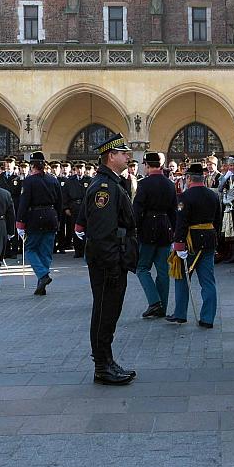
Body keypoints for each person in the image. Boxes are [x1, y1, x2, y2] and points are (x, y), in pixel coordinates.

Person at [75, 133, 138, 385]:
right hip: (107, 263)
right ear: (111, 156)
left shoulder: (111, 183)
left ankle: (107, 361)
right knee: (104, 312)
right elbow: (102, 234)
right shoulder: (105, 188)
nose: (127, 157)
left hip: (111, 260)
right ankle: (102, 365)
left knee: (109, 312)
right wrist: (113, 265)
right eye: (123, 153)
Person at [169, 162, 222, 328]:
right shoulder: (214, 195)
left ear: (189, 178)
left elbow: (181, 222)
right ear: (203, 177)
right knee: (208, 281)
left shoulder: (184, 197)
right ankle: (207, 318)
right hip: (209, 240)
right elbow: (218, 221)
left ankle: (180, 314)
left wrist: (178, 244)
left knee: (182, 277)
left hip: (190, 242)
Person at [133, 151, 177, 319]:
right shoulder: (169, 183)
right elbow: (174, 211)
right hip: (165, 227)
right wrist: (175, 231)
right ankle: (162, 306)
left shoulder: (144, 184)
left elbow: (138, 208)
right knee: (163, 270)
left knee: (142, 267)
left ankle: (154, 302)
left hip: (148, 227)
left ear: (147, 165)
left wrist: (134, 227)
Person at [16, 151, 63, 295]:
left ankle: (43, 275)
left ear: (32, 166)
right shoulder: (53, 180)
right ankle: (41, 285)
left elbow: (24, 203)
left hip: (35, 217)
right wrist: (58, 219)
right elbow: (60, 202)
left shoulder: (29, 181)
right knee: (45, 252)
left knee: (30, 249)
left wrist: (20, 223)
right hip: (51, 216)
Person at [63, 161, 91, 258]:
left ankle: (85, 249)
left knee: (85, 229)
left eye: (81, 168)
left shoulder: (89, 180)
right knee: (74, 228)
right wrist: (66, 207)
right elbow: (65, 195)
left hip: (85, 207)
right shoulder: (70, 180)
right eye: (77, 168)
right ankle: (77, 250)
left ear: (84, 169)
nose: (79, 170)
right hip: (74, 206)